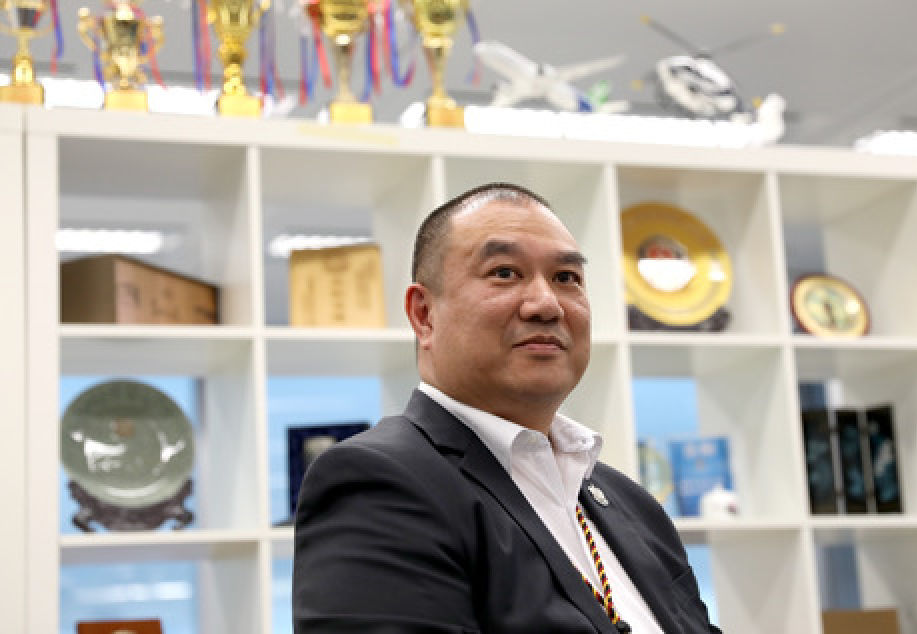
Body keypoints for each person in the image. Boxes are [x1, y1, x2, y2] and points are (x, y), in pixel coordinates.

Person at [293, 183, 721, 633]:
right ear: (424, 314)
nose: (546, 305)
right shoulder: (378, 484)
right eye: (504, 273)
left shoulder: (631, 504)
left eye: (566, 278)